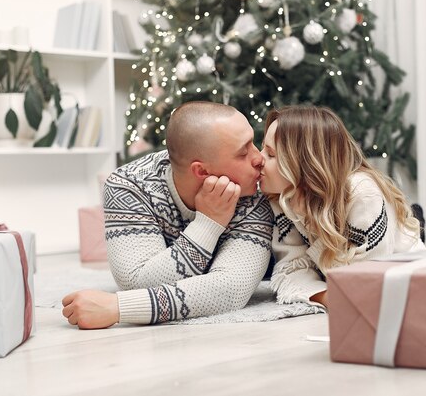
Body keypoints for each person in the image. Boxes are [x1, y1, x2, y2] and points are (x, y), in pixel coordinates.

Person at [62, 101, 273, 328]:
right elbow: (136, 284)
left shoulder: (256, 188)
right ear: (201, 171)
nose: (259, 158)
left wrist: (119, 307)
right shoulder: (129, 185)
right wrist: (209, 223)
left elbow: (232, 289)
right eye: (243, 152)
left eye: (254, 142)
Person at [259, 105, 425, 309]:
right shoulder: (284, 198)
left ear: (303, 163)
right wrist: (328, 297)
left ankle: (408, 222)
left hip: (403, 278)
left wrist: (313, 226)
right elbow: (288, 272)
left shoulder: (363, 194)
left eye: (270, 154)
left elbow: (363, 286)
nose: (258, 159)